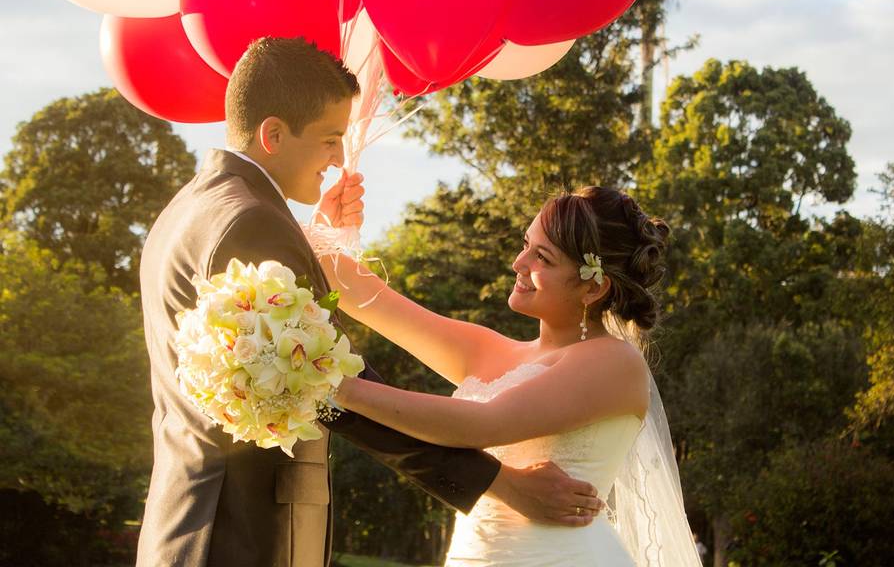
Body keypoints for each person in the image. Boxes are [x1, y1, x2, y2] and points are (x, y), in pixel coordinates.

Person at [136, 37, 600, 567]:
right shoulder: (254, 223)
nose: (338, 159)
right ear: (273, 134)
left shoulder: (190, 208)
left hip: (189, 518)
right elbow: (330, 387)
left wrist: (317, 242)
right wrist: (499, 484)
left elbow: (261, 345)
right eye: (331, 139)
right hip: (241, 530)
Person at [315, 184, 703, 566]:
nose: (519, 263)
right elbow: (367, 297)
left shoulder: (614, 363)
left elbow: (482, 425)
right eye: (525, 244)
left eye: (543, 258)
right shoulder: (492, 350)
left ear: (593, 287)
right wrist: (323, 228)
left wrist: (340, 386)